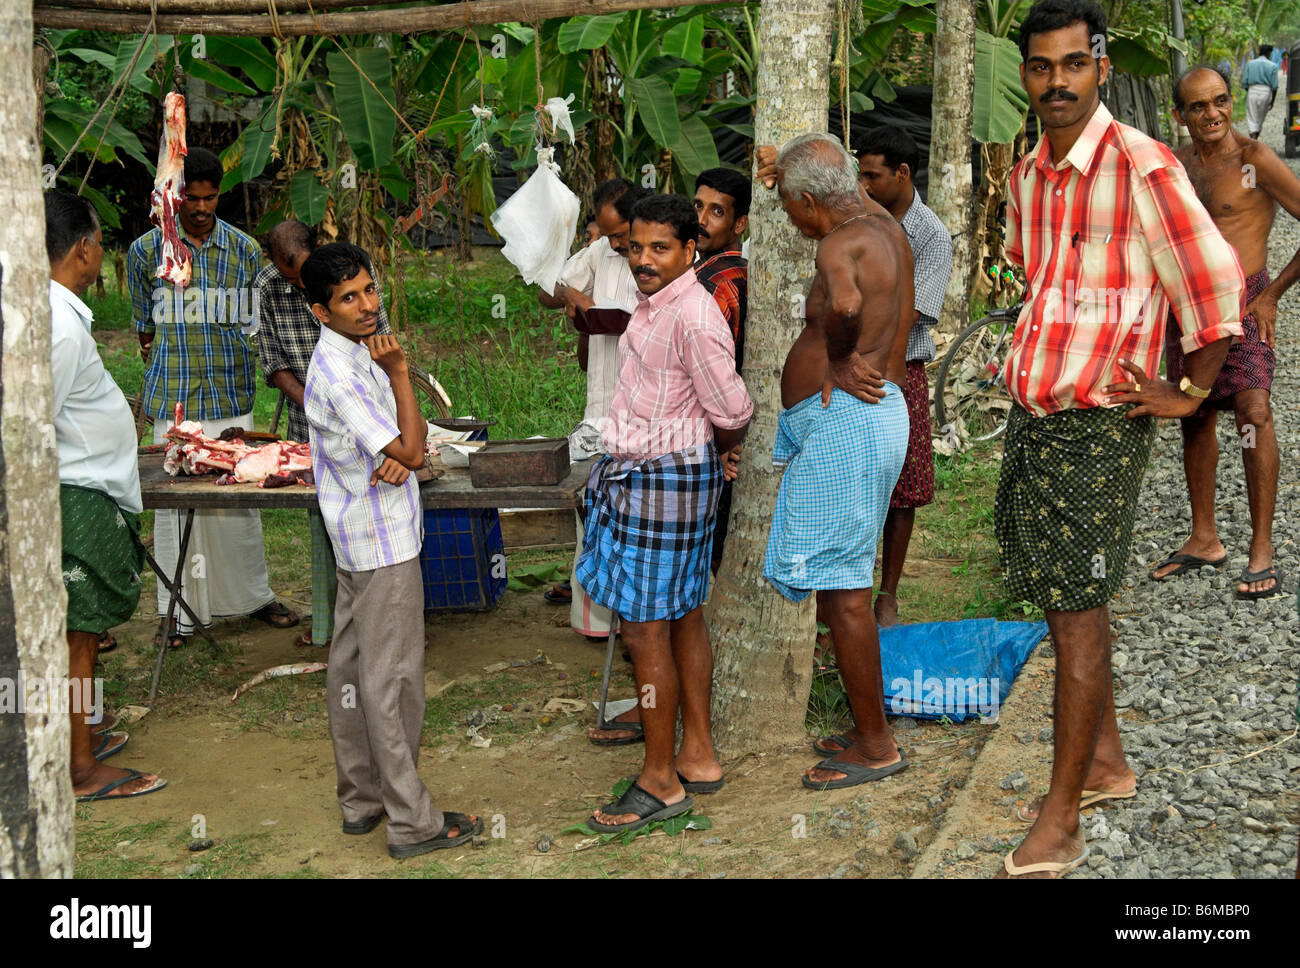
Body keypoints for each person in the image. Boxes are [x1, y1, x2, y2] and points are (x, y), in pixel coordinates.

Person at [995, 0, 1243, 878]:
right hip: (1036, 412)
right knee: (1059, 599)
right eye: (1039, 66)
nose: (1055, 82)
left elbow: (1216, 286)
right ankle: (1105, 765)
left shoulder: (1143, 165)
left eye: (1071, 64)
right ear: (1023, 73)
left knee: (1077, 617)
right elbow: (1042, 285)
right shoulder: (1030, 174)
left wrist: (1193, 393)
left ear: (1100, 65)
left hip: (1099, 425)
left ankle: (1060, 818)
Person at [301, 242, 480, 857]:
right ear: (321, 313)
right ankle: (412, 822)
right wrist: (402, 378)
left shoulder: (352, 354)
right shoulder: (346, 370)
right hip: (381, 543)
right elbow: (407, 449)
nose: (367, 305)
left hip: (358, 536)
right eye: (348, 298)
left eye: (369, 290)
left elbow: (407, 445)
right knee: (393, 678)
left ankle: (362, 800)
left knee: (351, 671)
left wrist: (404, 450)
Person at [580, 194, 752, 832]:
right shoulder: (656, 307)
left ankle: (660, 780)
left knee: (646, 628)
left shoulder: (694, 317)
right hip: (650, 477)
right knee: (679, 616)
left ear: (690, 250)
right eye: (636, 247)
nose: (643, 260)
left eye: (660, 249)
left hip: (664, 483)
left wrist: (713, 453)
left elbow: (732, 409)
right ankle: (697, 756)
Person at [754, 133, 914, 791]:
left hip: (850, 421)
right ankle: (865, 724)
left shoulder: (835, 243)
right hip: (875, 418)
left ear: (812, 202)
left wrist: (841, 357)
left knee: (846, 594)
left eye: (792, 210)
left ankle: (876, 746)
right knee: (839, 580)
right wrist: (776, 161)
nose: (791, 223)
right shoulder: (882, 222)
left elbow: (845, 306)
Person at [127, 145, 298, 647]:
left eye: (210, 197)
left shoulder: (244, 249)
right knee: (174, 505)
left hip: (229, 392)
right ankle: (174, 613)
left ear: (220, 194)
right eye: (191, 198)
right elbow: (144, 327)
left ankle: (250, 597)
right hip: (173, 396)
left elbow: (253, 323)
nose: (201, 208)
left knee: (239, 500)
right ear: (173, 196)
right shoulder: (146, 251)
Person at [1152, 66, 1297, 600]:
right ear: (1180, 115)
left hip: (1243, 301)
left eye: (1218, 102)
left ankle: (1261, 548)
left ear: (1230, 103)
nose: (1211, 114)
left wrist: (1271, 292)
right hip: (1188, 308)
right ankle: (1204, 537)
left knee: (1253, 413)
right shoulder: (1178, 164)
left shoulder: (1254, 160)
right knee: (1196, 413)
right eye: (1197, 106)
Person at [47, 191, 167, 803]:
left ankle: (83, 729)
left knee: (81, 628)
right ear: (84, 248)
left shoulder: (51, 312)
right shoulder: (60, 326)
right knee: (78, 634)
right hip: (78, 491)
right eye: (99, 243)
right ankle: (80, 767)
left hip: (85, 486)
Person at [256, 220, 393, 648]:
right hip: (311, 413)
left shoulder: (349, 275)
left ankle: (383, 624)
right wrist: (317, 402)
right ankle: (330, 627)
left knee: (374, 520)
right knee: (328, 518)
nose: (297, 284)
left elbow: (381, 341)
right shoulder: (268, 287)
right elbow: (272, 358)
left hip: (369, 413)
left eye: (302, 275)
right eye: (289, 277)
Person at [537, 179, 646, 650]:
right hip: (600, 405)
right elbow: (548, 290)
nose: (615, 243)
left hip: (647, 411)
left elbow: (641, 319)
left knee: (638, 518)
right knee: (594, 510)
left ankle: (639, 623)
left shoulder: (663, 256)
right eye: (607, 234)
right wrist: (570, 295)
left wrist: (597, 311)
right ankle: (597, 622)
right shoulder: (602, 251)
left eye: (620, 233)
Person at [857, 125, 953, 627]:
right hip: (851, 366)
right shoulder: (853, 220)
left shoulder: (931, 236)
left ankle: (887, 593)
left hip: (901, 371)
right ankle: (848, 590)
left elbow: (910, 315)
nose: (863, 185)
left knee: (904, 488)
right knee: (855, 484)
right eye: (859, 174)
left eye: (872, 176)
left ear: (901, 173)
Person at [692, 166, 750, 575]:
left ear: (739, 223)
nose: (701, 220)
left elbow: (710, 370)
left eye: (716, 212)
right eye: (697, 206)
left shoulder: (711, 283)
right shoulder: (743, 271)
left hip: (713, 433)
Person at [1243, 45, 1279, 139]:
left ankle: (1253, 138)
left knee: (1251, 116)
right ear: (1268, 53)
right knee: (1260, 118)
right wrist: (1272, 101)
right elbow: (1274, 86)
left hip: (1252, 90)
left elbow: (1244, 82)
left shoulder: (1250, 64)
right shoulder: (1273, 66)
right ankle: (1255, 138)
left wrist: (1250, 91)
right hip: (1266, 92)